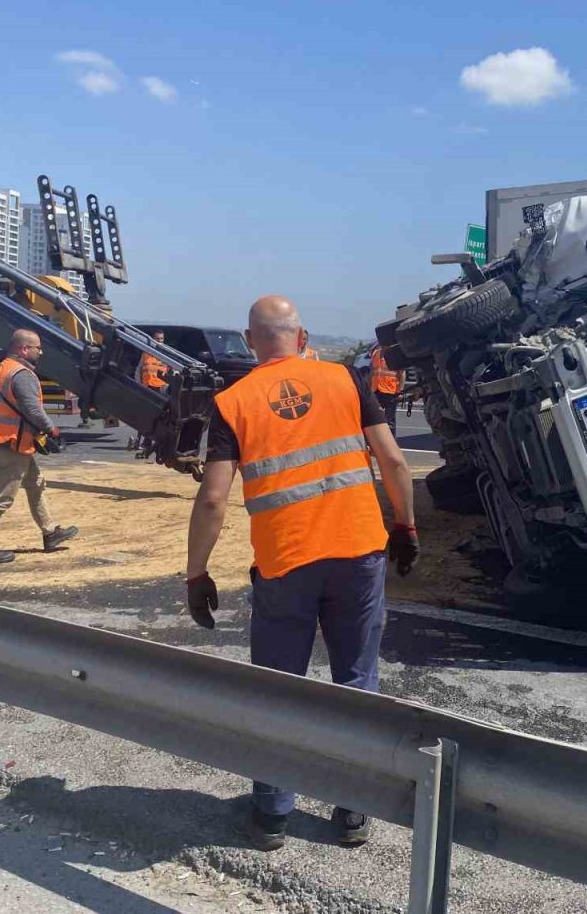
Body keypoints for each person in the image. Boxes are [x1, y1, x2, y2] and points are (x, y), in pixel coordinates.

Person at [185, 295, 419, 851]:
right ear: (303, 336)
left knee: (279, 689)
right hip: (359, 554)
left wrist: (196, 573)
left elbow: (214, 498)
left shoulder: (233, 401)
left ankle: (271, 816)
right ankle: (354, 810)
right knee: (357, 682)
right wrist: (405, 527)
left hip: (285, 562)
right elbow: (394, 461)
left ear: (249, 341)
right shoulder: (344, 380)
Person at [0, 329, 78, 565]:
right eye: (37, 348)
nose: (41, 352)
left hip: (4, 440)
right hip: (12, 443)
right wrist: (52, 428)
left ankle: (50, 532)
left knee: (35, 483)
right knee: (1, 498)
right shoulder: (22, 374)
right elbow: (33, 410)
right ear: (23, 349)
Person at [132, 331, 168, 456]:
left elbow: (172, 371)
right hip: (148, 388)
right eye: (157, 338)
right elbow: (139, 369)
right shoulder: (146, 353)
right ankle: (143, 441)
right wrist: (139, 385)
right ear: (153, 339)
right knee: (145, 415)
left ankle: (150, 441)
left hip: (161, 388)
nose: (159, 341)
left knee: (158, 416)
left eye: (161, 339)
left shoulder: (166, 354)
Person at [368, 344, 405, 437]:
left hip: (390, 391)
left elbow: (402, 374)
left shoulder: (395, 355)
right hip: (376, 389)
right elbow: (372, 371)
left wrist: (400, 390)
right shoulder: (376, 353)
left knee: (390, 420)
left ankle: (391, 439)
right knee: (373, 417)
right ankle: (375, 439)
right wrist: (368, 388)